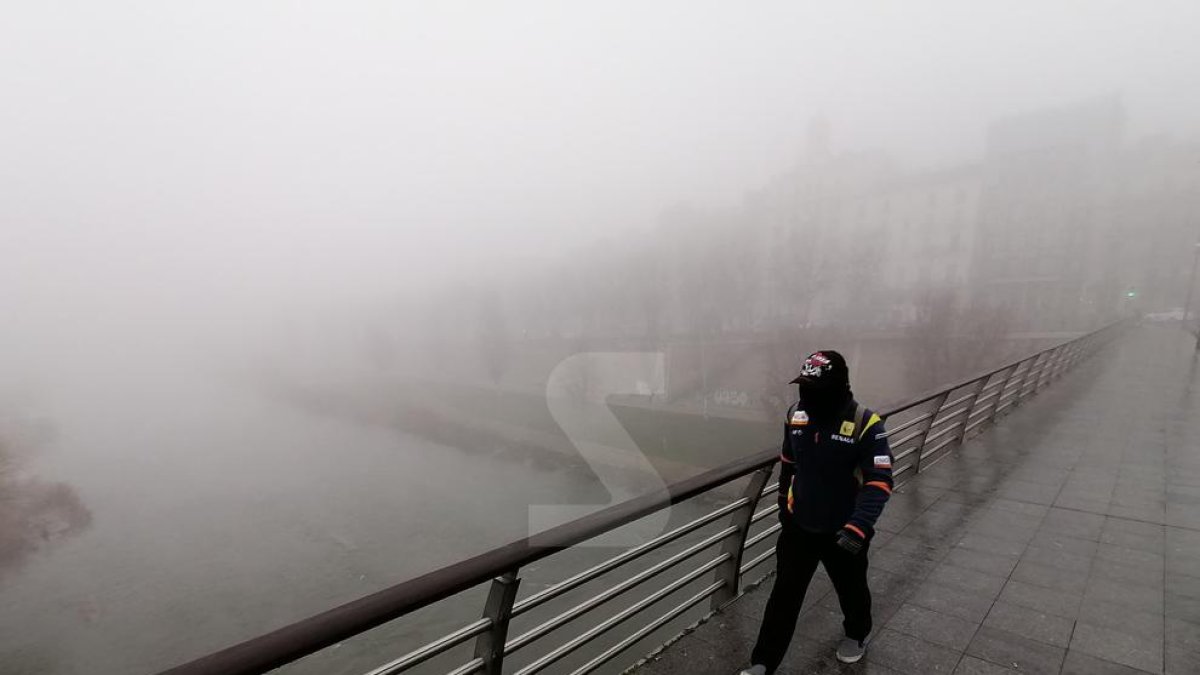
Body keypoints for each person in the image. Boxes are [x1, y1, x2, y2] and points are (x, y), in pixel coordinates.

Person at [739, 350, 894, 674]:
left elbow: (880, 481)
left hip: (845, 530)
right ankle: (763, 662)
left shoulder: (866, 423)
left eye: (814, 387)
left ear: (837, 387)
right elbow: (788, 464)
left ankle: (857, 633)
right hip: (799, 528)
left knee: (851, 590)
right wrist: (784, 506)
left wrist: (858, 527)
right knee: (783, 597)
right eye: (803, 385)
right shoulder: (795, 415)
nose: (806, 394)